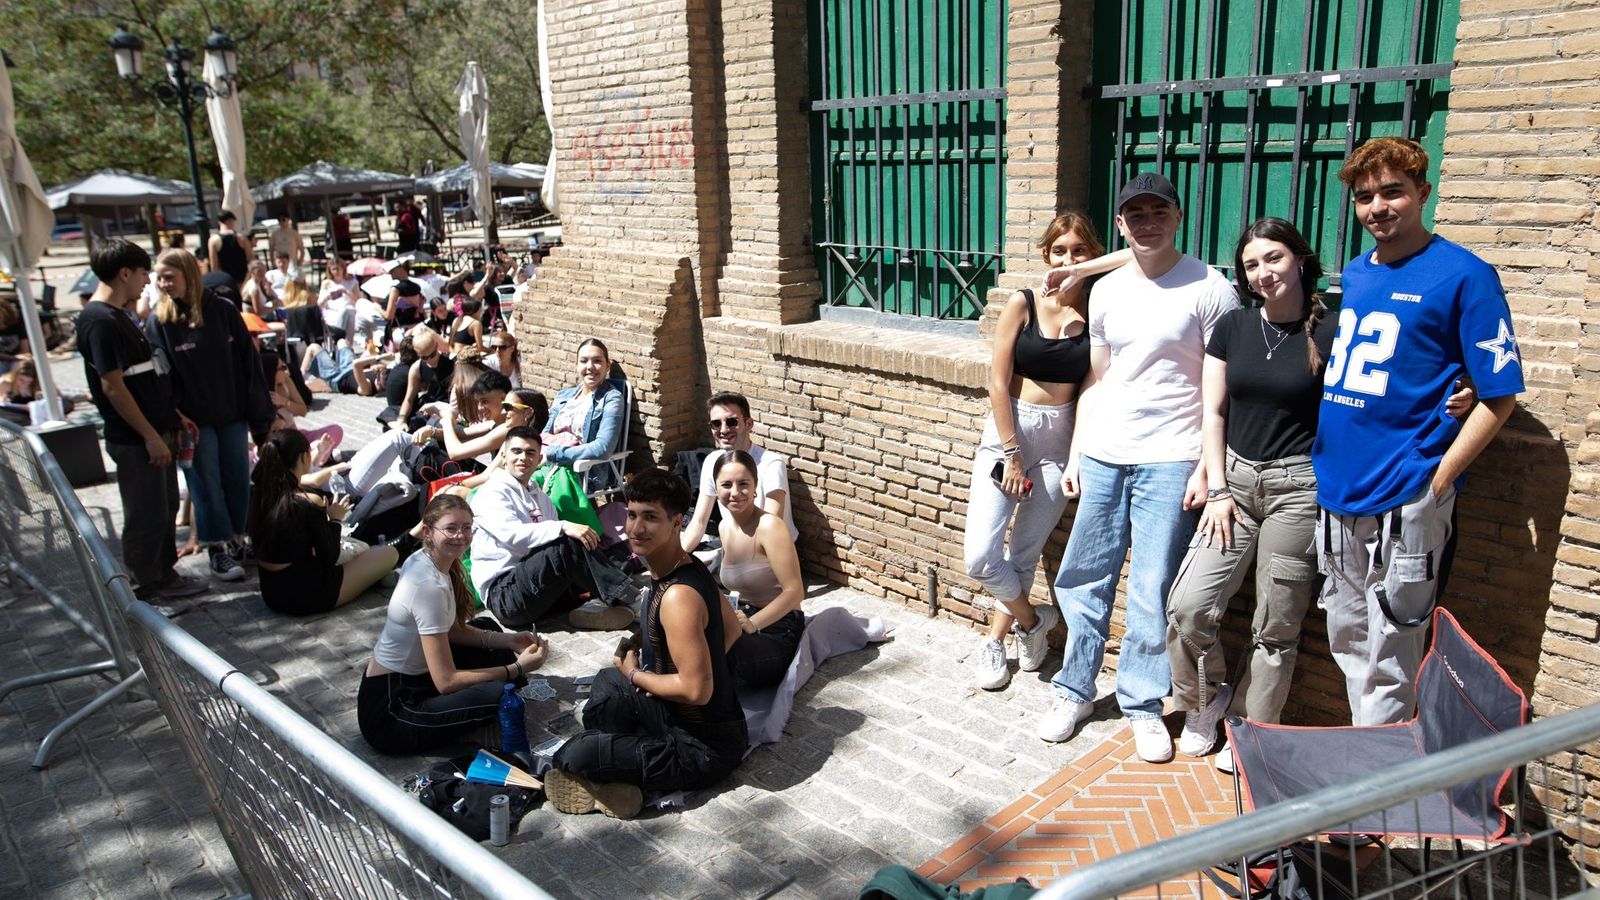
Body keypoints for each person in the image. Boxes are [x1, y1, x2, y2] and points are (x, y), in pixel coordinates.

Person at [1315, 138, 1524, 726]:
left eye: (1393, 192)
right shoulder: (1357, 273)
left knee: (1393, 648)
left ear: (1422, 193)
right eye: (1364, 197)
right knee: (1348, 637)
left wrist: (1437, 482)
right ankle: (1371, 752)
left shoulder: (1466, 276)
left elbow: (1500, 396)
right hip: (1338, 488)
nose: (1377, 207)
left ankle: (1375, 776)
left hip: (1406, 492)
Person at [1038, 172, 1236, 763]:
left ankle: (1142, 704)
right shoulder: (1106, 290)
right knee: (1083, 575)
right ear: (1121, 223)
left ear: (1178, 217)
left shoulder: (1210, 287)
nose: (1149, 223)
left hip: (1172, 457)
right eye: (1137, 214)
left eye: (1159, 212)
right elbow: (1099, 378)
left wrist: (1205, 466)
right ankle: (1074, 688)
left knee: (1153, 587)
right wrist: (1079, 451)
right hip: (1106, 453)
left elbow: (1219, 388)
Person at [963, 213, 1129, 691]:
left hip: (1062, 439)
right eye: (1060, 251)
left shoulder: (1100, 310)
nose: (1068, 259)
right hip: (1008, 433)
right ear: (1045, 255)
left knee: (1024, 553)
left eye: (1080, 251)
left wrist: (1076, 457)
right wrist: (1012, 452)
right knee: (980, 556)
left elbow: (1138, 256)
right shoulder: (1024, 302)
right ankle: (1034, 621)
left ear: (1094, 255)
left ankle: (996, 640)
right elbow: (997, 382)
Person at [545, 469, 747, 819]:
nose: (636, 528)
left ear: (677, 522)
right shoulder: (685, 564)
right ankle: (625, 769)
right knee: (607, 682)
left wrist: (637, 675)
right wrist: (691, 658)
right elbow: (732, 628)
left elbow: (697, 691)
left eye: (651, 517)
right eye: (632, 515)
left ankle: (626, 775)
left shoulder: (678, 597)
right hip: (673, 714)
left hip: (702, 748)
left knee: (573, 754)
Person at [358, 494, 550, 755]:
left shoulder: (429, 560)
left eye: (467, 527)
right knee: (498, 696)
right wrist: (516, 668)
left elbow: (451, 631)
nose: (461, 536)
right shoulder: (428, 585)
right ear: (428, 531)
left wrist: (509, 640)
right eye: (451, 528)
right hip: (392, 713)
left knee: (489, 629)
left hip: (412, 679)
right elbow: (446, 681)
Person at [76, 239, 205, 600]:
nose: (147, 281)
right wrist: (149, 435)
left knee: (163, 508)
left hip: (156, 430)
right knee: (146, 514)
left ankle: (164, 575)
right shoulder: (99, 320)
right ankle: (145, 588)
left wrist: (172, 415)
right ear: (124, 273)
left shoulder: (117, 315)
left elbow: (143, 378)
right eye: (143, 272)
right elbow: (113, 386)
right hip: (136, 440)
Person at [144, 247, 275, 582]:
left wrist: (261, 420)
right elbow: (159, 377)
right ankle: (216, 548)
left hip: (232, 413)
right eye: (160, 278)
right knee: (206, 485)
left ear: (189, 274)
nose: (163, 284)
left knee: (237, 479)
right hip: (193, 422)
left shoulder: (223, 310)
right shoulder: (159, 321)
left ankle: (237, 541)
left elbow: (249, 365)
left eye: (169, 277)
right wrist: (173, 415)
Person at [468, 427, 638, 631]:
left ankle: (594, 605)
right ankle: (633, 600)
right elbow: (512, 536)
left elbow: (552, 547)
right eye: (516, 451)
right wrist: (563, 526)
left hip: (541, 590)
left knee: (614, 557)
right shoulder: (491, 493)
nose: (523, 458)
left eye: (530, 453)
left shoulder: (540, 497)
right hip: (507, 597)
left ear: (539, 459)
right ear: (503, 457)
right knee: (567, 544)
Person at [248, 429, 406, 616]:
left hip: (272, 592)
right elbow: (329, 557)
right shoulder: (307, 501)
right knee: (389, 554)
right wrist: (336, 518)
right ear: (304, 457)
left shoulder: (259, 494)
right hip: (308, 594)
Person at [714, 451, 806, 688]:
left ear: (755, 486)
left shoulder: (770, 526)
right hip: (742, 618)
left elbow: (795, 591)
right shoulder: (724, 527)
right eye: (726, 485)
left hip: (778, 629)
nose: (735, 492)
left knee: (719, 650)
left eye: (743, 484)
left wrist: (752, 624)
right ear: (716, 488)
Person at [680, 391, 797, 552]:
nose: (723, 430)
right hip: (734, 545)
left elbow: (771, 527)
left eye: (731, 422)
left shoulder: (771, 463)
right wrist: (678, 559)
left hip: (771, 550)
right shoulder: (713, 461)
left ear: (749, 424)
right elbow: (699, 522)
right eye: (716, 423)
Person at [542, 338, 626, 491]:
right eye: (583, 361)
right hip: (549, 463)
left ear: (607, 366)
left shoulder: (611, 398)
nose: (590, 366)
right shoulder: (564, 396)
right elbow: (545, 434)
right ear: (576, 365)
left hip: (582, 472)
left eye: (597, 361)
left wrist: (553, 453)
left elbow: (603, 448)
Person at [395, 329, 456, 431]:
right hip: (428, 408)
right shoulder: (416, 367)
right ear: (417, 353)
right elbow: (409, 399)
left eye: (432, 355)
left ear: (437, 346)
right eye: (424, 357)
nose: (429, 360)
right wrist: (402, 419)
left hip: (447, 408)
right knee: (392, 412)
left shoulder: (452, 364)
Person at [318, 255, 358, 341]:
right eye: (333, 269)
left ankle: (341, 339)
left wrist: (346, 292)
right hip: (332, 312)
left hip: (349, 311)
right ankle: (340, 339)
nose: (336, 272)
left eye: (338, 269)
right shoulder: (326, 283)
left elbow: (358, 302)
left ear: (343, 269)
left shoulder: (352, 282)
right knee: (343, 313)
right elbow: (319, 304)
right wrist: (328, 297)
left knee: (348, 310)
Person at [208, 210, 252, 285]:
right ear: (232, 221)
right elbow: (251, 260)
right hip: (243, 278)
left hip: (225, 280)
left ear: (219, 222)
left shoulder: (213, 240)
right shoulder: (242, 238)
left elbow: (214, 266)